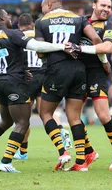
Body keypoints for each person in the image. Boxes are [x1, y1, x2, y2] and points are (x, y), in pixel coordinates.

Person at [0, 5, 72, 173]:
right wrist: (62, 47)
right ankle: (5, 161)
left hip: (0, 83)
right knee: (22, 123)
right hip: (15, 84)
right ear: (1, 19)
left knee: (6, 121)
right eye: (7, 15)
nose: (10, 18)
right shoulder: (12, 34)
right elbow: (38, 47)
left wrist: (14, 67)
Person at [35, 0, 105, 172]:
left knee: (45, 113)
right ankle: (81, 162)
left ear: (49, 4)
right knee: (75, 117)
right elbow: (97, 41)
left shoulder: (41, 22)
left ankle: (63, 152)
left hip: (56, 70)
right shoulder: (79, 18)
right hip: (78, 70)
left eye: (43, 6)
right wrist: (104, 61)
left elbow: (41, 51)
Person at [13, 13, 72, 160]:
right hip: (44, 75)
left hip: (28, 77)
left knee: (24, 117)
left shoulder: (17, 36)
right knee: (46, 113)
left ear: (19, 26)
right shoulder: (41, 34)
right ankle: (60, 129)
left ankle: (23, 152)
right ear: (32, 24)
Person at [78, 0, 112, 171]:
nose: (106, 9)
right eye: (103, 5)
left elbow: (106, 47)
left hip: (97, 74)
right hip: (79, 74)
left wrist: (81, 48)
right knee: (73, 116)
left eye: (109, 7)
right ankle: (89, 151)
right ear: (93, 5)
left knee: (103, 116)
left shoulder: (108, 25)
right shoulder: (81, 22)